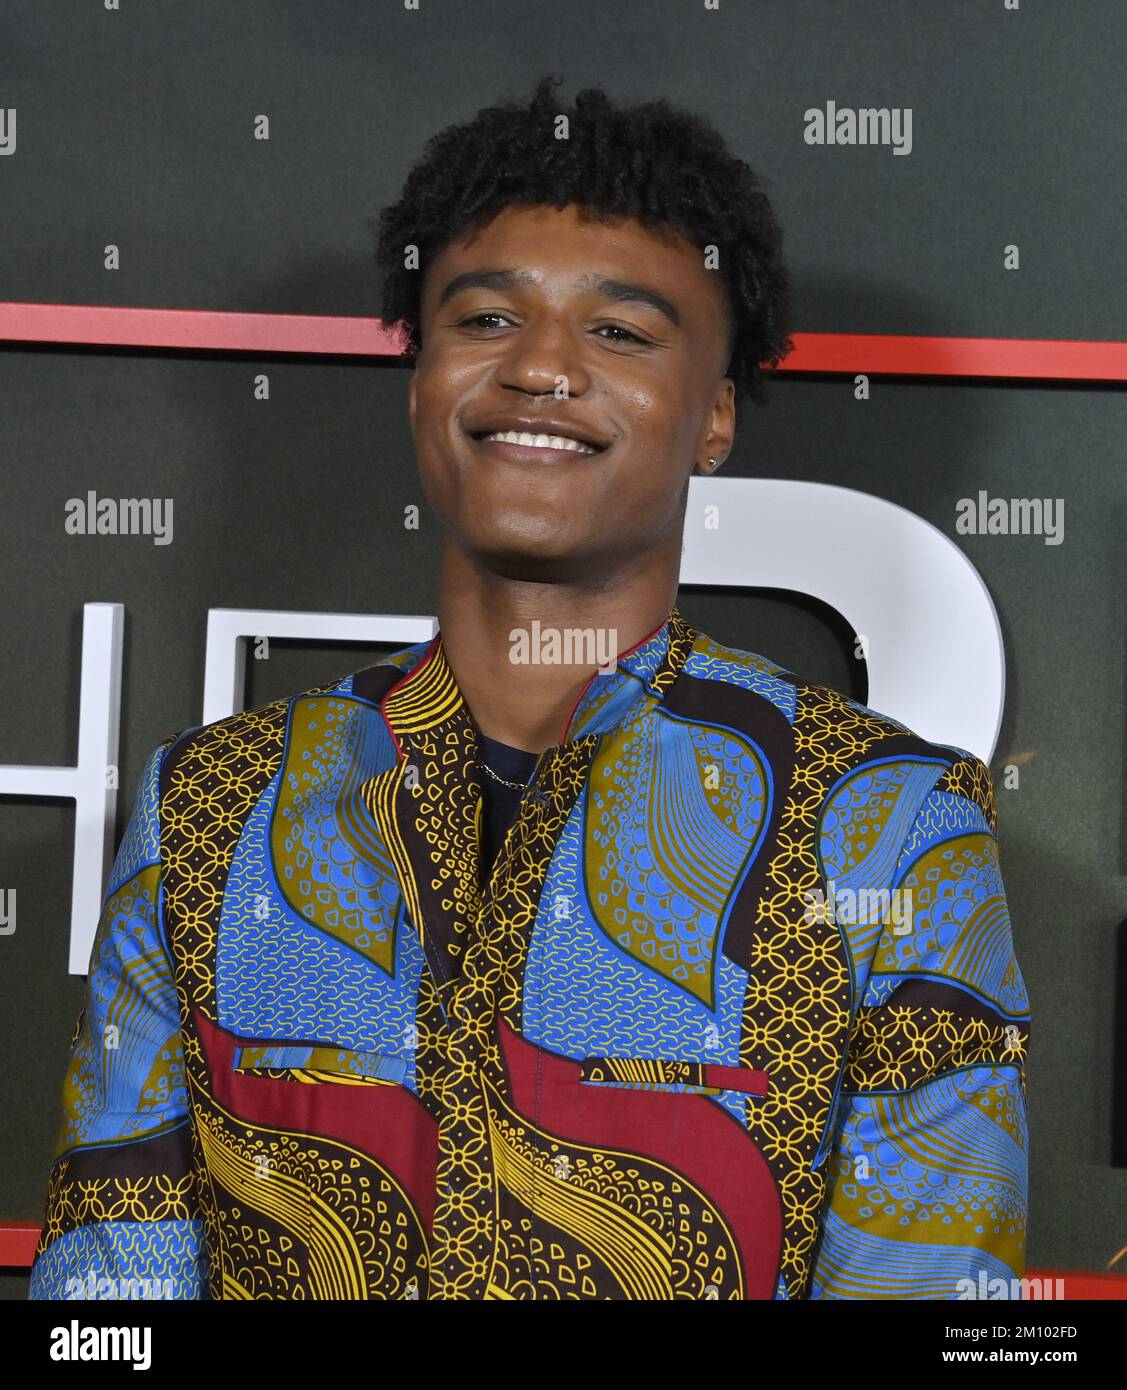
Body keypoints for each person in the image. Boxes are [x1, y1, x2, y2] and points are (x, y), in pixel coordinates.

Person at [29, 76, 1029, 1301]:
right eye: (486, 319)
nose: (541, 370)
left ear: (713, 416)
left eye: (619, 332)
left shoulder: (889, 823)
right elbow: (103, 1305)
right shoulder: (210, 804)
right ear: (418, 380)